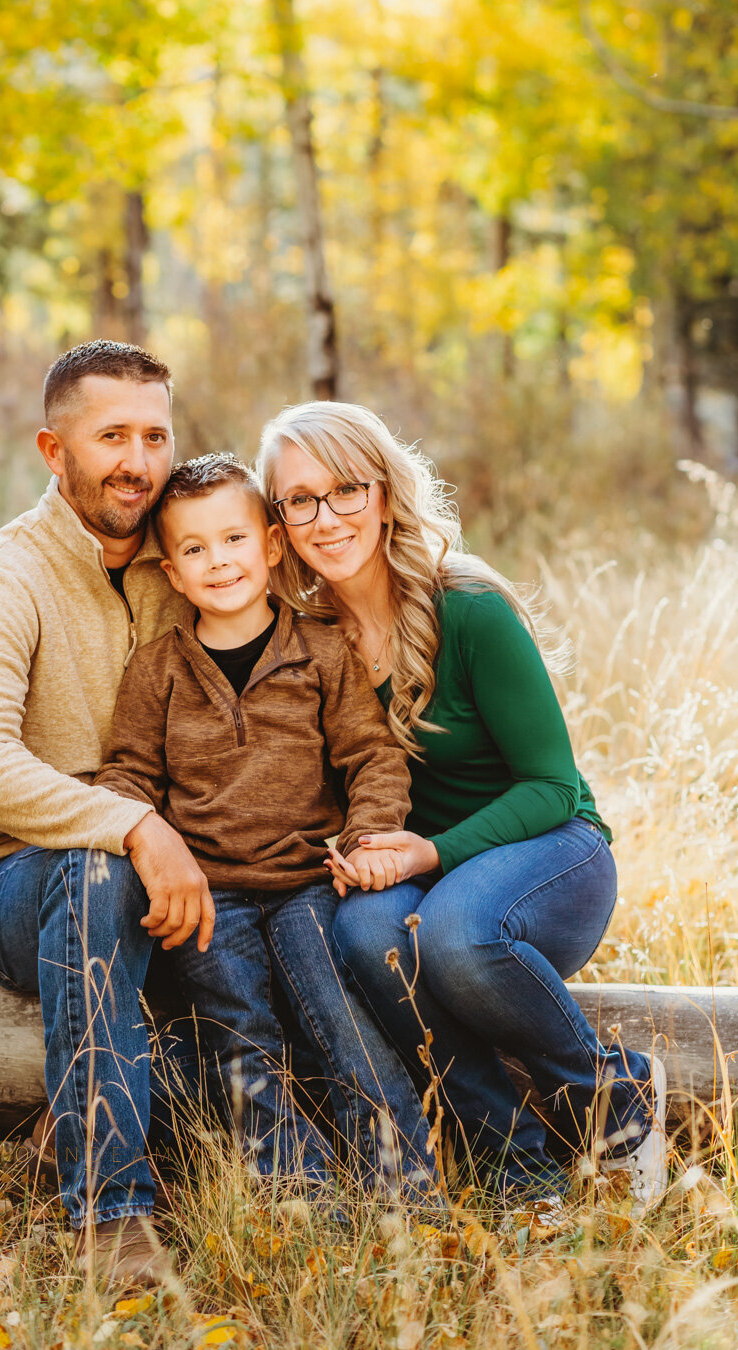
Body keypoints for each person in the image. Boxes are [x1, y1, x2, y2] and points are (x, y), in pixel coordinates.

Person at [257, 400, 668, 1208]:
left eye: (345, 490)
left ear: (383, 492)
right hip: (422, 874)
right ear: (277, 520)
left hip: (549, 853)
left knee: (453, 935)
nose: (325, 517)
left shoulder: (467, 608)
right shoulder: (303, 636)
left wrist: (428, 852)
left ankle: (615, 1107)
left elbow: (551, 787)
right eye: (297, 500)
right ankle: (516, 1170)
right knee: (368, 932)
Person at [0, 340, 216, 1290]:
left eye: (153, 434)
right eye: (110, 437)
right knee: (98, 872)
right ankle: (112, 1217)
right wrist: (132, 825)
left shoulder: (188, 565)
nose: (137, 460)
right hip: (17, 881)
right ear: (54, 451)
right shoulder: (1, 574)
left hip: (178, 873)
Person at [95, 454, 439, 1202]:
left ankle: (405, 1187)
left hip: (309, 887)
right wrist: (146, 842)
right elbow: (125, 775)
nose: (218, 562)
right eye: (194, 549)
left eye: (234, 540)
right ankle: (299, 1193)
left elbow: (371, 758)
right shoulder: (157, 670)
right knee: (240, 1033)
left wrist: (367, 841)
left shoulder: (319, 651)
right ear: (171, 573)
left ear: (271, 547)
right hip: (207, 897)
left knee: (341, 1021)